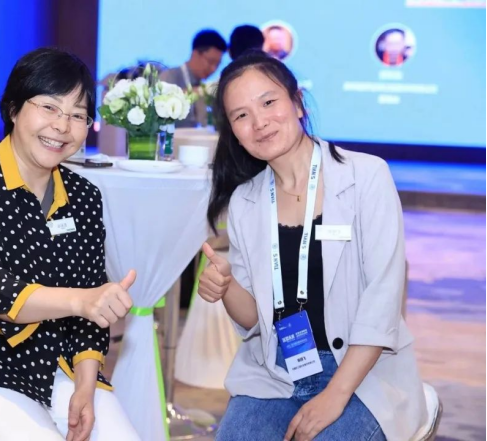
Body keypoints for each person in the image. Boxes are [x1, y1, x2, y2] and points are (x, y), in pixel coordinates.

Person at [0, 47, 140, 441]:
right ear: (14, 109)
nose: (62, 126)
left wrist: (86, 386)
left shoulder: (84, 197)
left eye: (78, 115)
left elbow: (90, 305)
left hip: (54, 365)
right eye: (49, 107)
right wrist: (82, 300)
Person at [199, 51, 428, 440]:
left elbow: (382, 301)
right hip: (275, 373)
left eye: (268, 102)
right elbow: (255, 321)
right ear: (233, 131)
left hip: (363, 373)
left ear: (298, 102)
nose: (259, 122)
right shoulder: (245, 201)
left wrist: (334, 395)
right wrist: (226, 286)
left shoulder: (366, 176)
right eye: (241, 115)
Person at [160, 29, 227, 127]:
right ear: (195, 54)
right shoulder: (170, 76)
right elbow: (161, 104)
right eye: (211, 62)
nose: (213, 69)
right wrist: (200, 91)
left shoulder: (203, 84)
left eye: (217, 65)